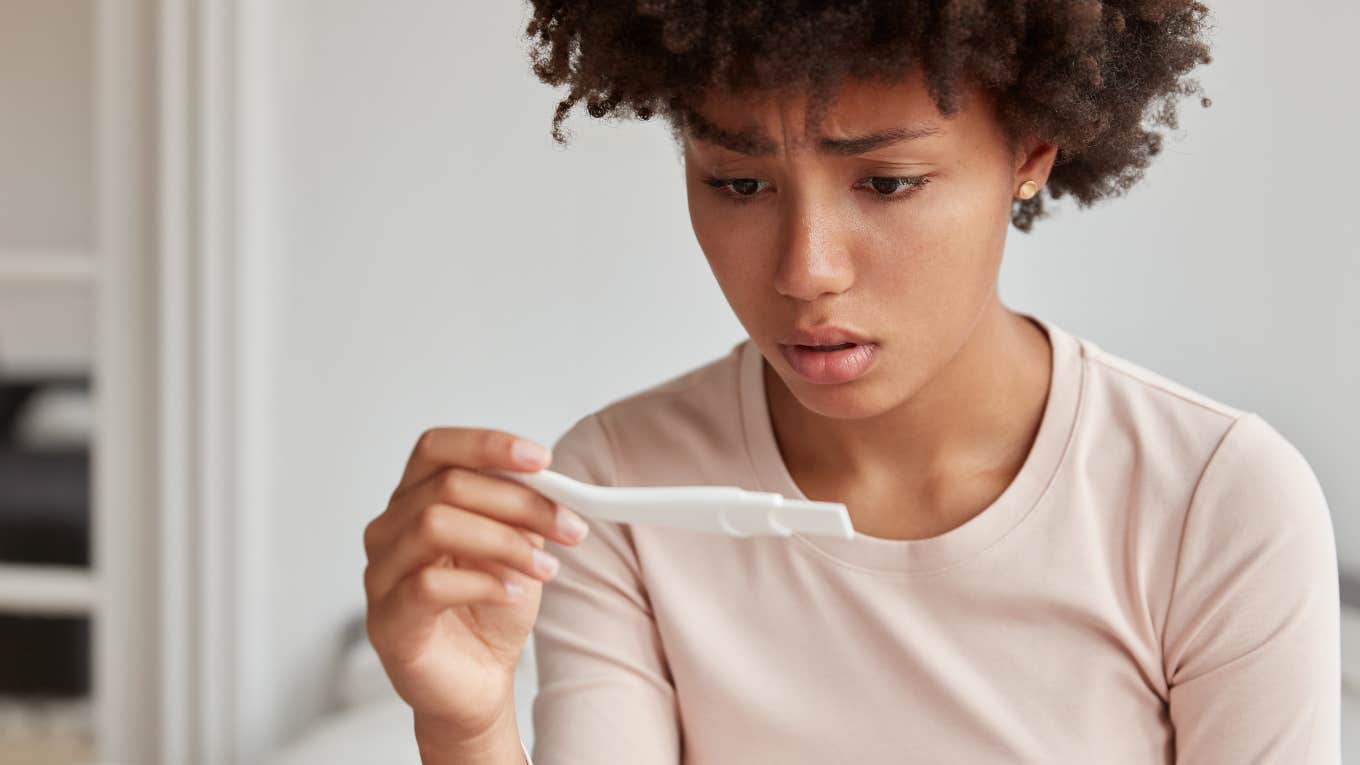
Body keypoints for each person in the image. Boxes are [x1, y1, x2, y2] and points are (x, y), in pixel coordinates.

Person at [361, 2, 1343, 763]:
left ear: (1030, 153)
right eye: (739, 184)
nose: (805, 268)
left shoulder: (1214, 504)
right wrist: (466, 728)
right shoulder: (621, 485)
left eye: (884, 183)